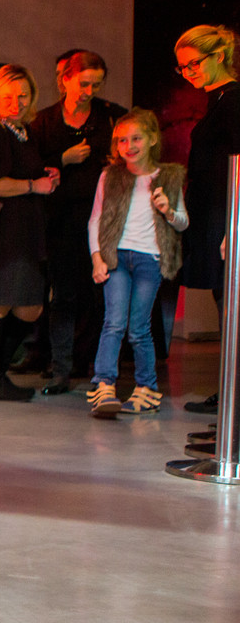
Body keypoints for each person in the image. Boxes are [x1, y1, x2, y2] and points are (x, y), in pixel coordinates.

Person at [29, 50, 125, 394]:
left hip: (103, 218)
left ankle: (93, 364)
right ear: (65, 79)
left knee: (100, 295)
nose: (89, 91)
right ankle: (61, 368)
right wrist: (62, 159)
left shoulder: (112, 117)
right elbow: (29, 167)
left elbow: (135, 155)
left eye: (96, 85)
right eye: (84, 83)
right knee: (63, 296)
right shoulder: (43, 122)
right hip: (60, 220)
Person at [0, 64, 60, 402]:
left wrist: (46, 176)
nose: (16, 103)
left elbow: (20, 173)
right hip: (4, 233)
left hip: (25, 232)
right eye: (8, 96)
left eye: (23, 95)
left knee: (30, 306)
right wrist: (34, 184)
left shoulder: (24, 132)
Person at [85, 109, 188, 418]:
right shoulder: (110, 176)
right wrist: (97, 257)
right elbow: (95, 220)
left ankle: (147, 389)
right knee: (114, 322)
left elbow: (183, 222)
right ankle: (104, 386)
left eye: (136, 138)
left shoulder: (169, 177)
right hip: (116, 257)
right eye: (122, 140)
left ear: (153, 139)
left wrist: (168, 210)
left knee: (139, 328)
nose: (128, 146)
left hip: (149, 260)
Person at [173, 24, 240, 414]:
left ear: (219, 56)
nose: (188, 72)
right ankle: (230, 396)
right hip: (216, 216)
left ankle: (233, 401)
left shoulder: (232, 101)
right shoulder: (221, 100)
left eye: (194, 63)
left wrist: (235, 226)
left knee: (231, 307)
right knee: (225, 306)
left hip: (227, 218)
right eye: (182, 67)